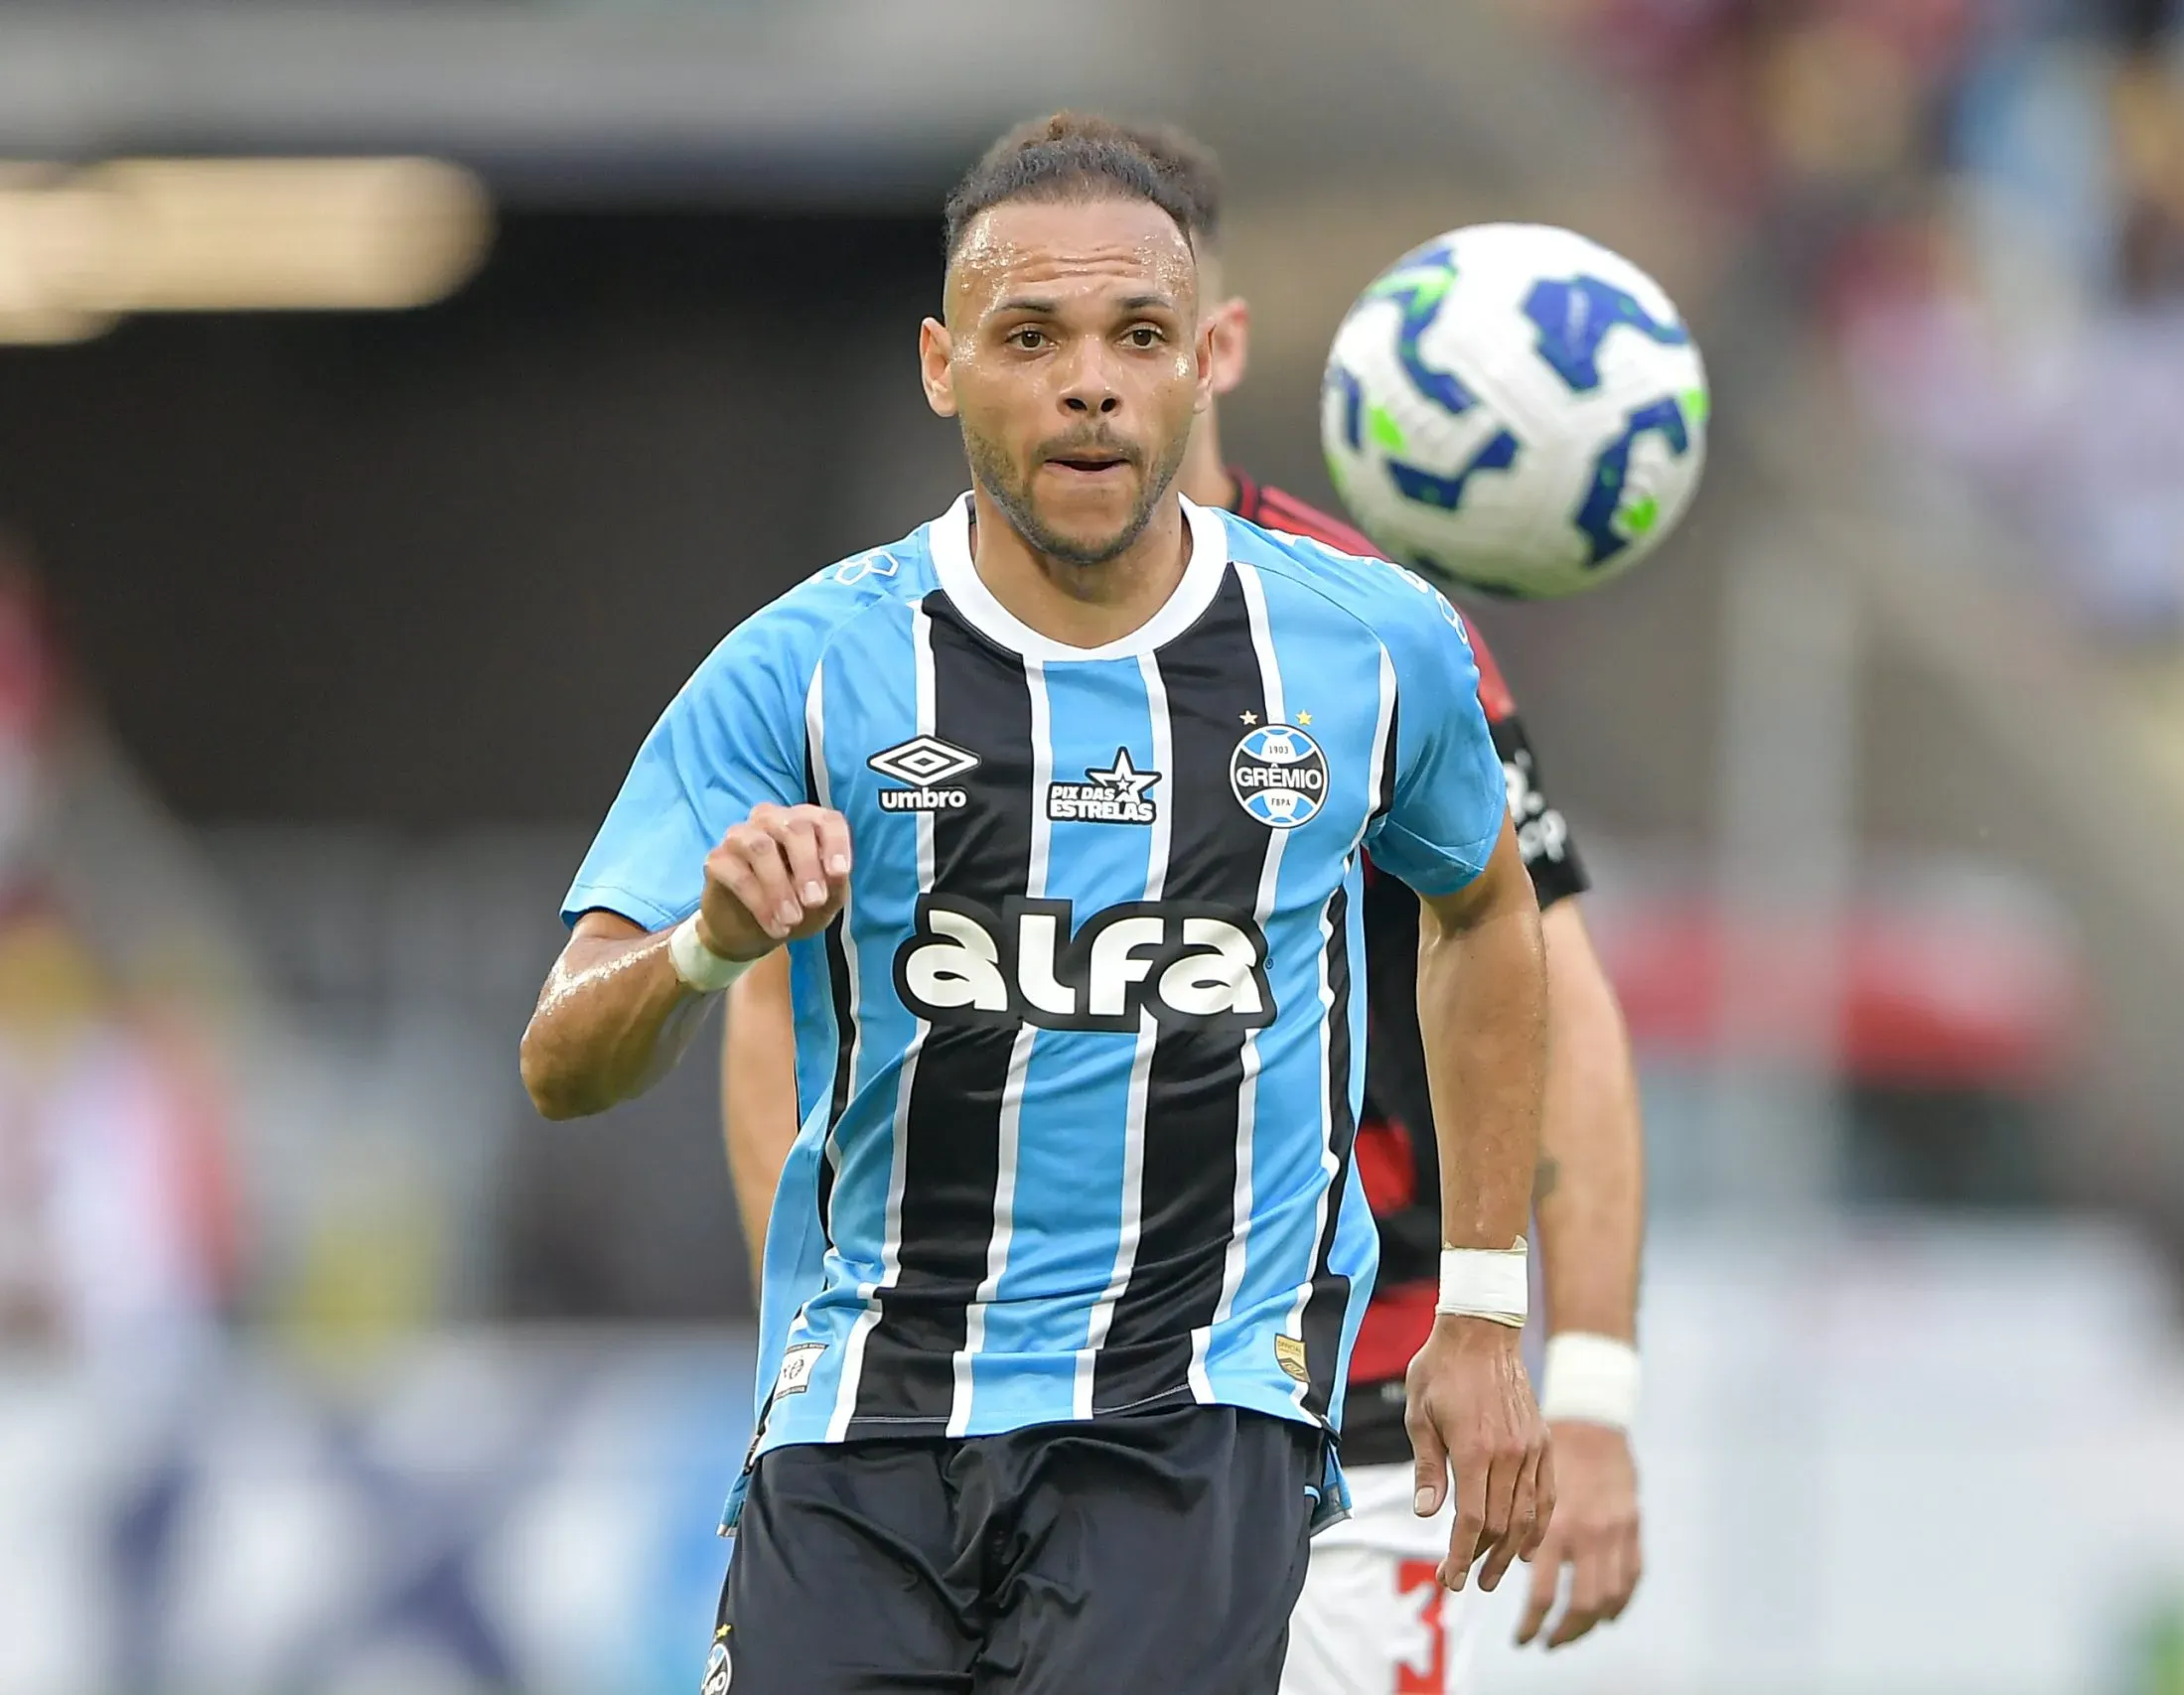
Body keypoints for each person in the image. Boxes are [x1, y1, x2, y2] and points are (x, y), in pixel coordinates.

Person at [520, 119, 1553, 1695]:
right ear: (941, 365)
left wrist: (1484, 1308)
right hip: (859, 1420)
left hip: (1191, 1416)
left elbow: (1485, 916)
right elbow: (560, 1057)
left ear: (1204, 362)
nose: (1091, 382)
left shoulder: (1362, 648)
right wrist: (705, 946)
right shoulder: (805, 667)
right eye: (1032, 337)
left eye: (1137, 336)